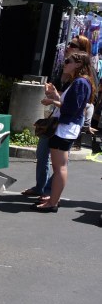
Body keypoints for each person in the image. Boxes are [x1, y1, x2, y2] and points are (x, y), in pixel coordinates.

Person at [33, 51, 96, 212]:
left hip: (65, 129)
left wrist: (53, 100)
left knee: (59, 167)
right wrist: (55, 95)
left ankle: (53, 202)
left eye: (68, 61)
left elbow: (72, 109)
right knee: (59, 166)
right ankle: (53, 199)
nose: (65, 63)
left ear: (79, 64)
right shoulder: (79, 82)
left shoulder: (80, 83)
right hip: (66, 128)